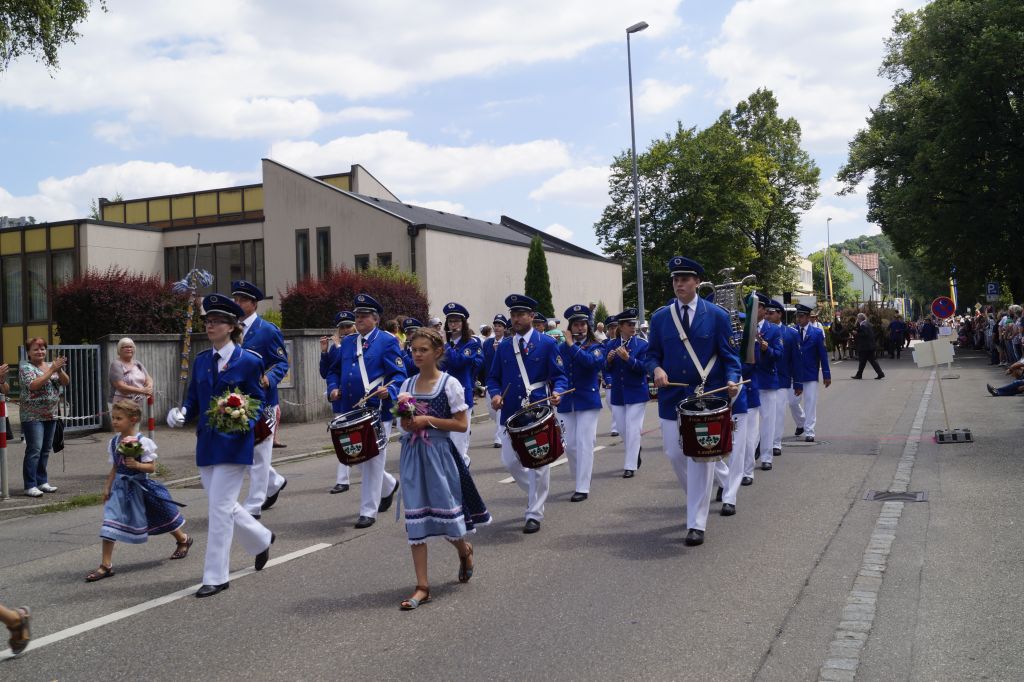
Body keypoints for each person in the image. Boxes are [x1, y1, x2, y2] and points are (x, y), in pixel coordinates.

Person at [167, 294, 275, 598]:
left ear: (231, 326)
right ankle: (262, 539)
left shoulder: (250, 361)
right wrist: (182, 413)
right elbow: (192, 399)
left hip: (234, 444)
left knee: (218, 509)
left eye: (215, 321)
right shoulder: (202, 361)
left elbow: (259, 401)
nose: (209, 325)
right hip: (206, 444)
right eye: (207, 321)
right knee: (224, 504)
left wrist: (241, 415)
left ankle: (216, 576)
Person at [645, 256, 740, 547]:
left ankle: (696, 522)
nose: (679, 284)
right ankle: (699, 497)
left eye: (685, 279)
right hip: (672, 397)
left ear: (697, 282)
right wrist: (656, 369)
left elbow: (730, 357)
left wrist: (733, 379)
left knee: (701, 457)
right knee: (675, 454)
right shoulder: (661, 317)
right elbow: (651, 355)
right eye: (675, 280)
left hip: (707, 398)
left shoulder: (717, 315)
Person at [394, 327, 490, 610]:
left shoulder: (449, 385)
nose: (417, 354)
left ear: (437, 353)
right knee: (415, 520)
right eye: (414, 350)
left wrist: (429, 421)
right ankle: (422, 586)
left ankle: (464, 549)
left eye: (423, 350)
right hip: (413, 454)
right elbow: (402, 423)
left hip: (440, 454)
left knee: (447, 518)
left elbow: (461, 424)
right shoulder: (406, 386)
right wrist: (409, 422)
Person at [486, 294, 568, 534]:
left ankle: (534, 512)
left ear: (532, 316)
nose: (516, 318)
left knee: (540, 462)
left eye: (521, 314)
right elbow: (492, 377)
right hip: (511, 411)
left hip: (539, 409)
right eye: (513, 314)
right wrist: (494, 394)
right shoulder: (504, 346)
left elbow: (560, 376)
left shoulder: (547, 343)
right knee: (510, 462)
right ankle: (535, 493)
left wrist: (559, 392)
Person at [86, 400, 191, 582]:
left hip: (140, 486)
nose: (115, 422)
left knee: (162, 514)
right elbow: (114, 468)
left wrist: (137, 465)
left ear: (132, 420)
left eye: (119, 418)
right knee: (109, 523)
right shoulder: (113, 442)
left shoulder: (144, 442)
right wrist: (107, 487)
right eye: (113, 418)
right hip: (120, 488)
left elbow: (151, 468)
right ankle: (106, 565)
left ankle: (183, 539)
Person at [326, 293, 405, 529]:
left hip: (377, 409)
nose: (358, 320)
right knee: (356, 456)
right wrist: (333, 388)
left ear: (375, 319)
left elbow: (399, 375)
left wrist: (389, 391)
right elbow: (333, 371)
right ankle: (389, 485)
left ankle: (367, 511)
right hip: (351, 409)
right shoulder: (348, 342)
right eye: (356, 316)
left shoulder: (387, 341)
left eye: (362, 316)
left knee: (372, 460)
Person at [231, 280, 289, 518]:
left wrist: (269, 377)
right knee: (245, 452)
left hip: (264, 401)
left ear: (253, 304)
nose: (237, 303)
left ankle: (254, 505)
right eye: (235, 299)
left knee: (261, 451)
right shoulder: (232, 329)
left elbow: (282, 362)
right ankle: (274, 481)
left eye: (242, 300)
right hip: (237, 401)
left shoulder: (267, 330)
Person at [556, 304, 605, 501]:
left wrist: (571, 346)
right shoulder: (561, 348)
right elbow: (556, 371)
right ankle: (579, 479)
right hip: (567, 400)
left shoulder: (596, 346)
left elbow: (592, 363)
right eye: (576, 324)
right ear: (570, 327)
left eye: (583, 324)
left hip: (588, 399)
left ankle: (582, 487)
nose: (580, 328)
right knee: (570, 445)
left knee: (586, 442)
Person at [19, 337, 69, 497]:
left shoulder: (50, 366)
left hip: (51, 414)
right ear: (28, 352)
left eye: (42, 349)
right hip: (32, 415)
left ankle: (42, 481)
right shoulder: (25, 367)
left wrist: (59, 370)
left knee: (45, 450)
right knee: (34, 449)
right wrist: (51, 370)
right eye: (35, 349)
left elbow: (65, 382)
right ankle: (30, 485)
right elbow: (34, 385)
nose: (40, 352)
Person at [604, 308, 648, 478]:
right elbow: (606, 368)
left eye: (634, 324)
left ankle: (630, 466)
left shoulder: (642, 345)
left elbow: (644, 369)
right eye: (629, 325)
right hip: (618, 393)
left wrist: (628, 359)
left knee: (633, 428)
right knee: (623, 430)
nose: (633, 327)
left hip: (636, 392)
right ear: (621, 327)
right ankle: (635, 447)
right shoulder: (611, 344)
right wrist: (608, 361)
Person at [442, 302, 483, 468]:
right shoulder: (443, 344)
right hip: (442, 395)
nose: (453, 324)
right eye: (450, 321)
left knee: (458, 441)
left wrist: (447, 346)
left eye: (457, 321)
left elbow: (458, 362)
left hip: (462, 395)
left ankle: (461, 468)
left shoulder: (471, 343)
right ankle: (462, 465)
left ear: (463, 323)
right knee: (447, 440)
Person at [321, 311, 357, 494]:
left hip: (360, 398)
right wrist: (325, 352)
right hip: (341, 400)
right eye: (342, 327)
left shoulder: (360, 341)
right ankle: (342, 480)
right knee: (344, 439)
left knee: (365, 442)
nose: (345, 330)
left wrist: (337, 346)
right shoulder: (336, 346)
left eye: (348, 326)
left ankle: (384, 481)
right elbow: (327, 372)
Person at [752, 295, 783, 471]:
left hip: (767, 380)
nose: (754, 311)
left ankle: (766, 456)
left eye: (757, 307)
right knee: (750, 424)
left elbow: (779, 354)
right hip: (749, 380)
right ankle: (749, 458)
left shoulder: (773, 330)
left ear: (764, 311)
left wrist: (767, 349)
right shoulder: (744, 328)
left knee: (768, 421)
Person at [792, 305, 832, 442]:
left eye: (801, 316)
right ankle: (801, 422)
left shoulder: (816, 333)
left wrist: (826, 374)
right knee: (792, 402)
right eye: (797, 316)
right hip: (795, 374)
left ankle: (809, 431)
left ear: (808, 317)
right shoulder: (792, 332)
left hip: (810, 372)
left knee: (810, 403)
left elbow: (822, 354)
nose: (799, 319)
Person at [768, 300, 801, 456]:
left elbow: (795, 360)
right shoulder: (761, 331)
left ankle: (776, 443)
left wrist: (798, 382)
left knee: (779, 413)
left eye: (771, 313)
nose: (768, 315)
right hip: (764, 379)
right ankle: (763, 442)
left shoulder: (791, 333)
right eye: (766, 313)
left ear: (779, 314)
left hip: (782, 379)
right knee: (765, 415)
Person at [482, 314, 508, 448]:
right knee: (492, 411)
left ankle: (499, 437)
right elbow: (483, 362)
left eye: (500, 326)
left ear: (504, 328)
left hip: (504, 381)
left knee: (499, 409)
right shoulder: (487, 343)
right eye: (496, 326)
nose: (497, 328)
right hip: (490, 381)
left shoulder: (508, 342)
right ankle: (504, 428)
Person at [108, 337, 154, 404]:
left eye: (131, 347)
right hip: (120, 404)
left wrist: (149, 387)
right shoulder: (116, 364)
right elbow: (120, 387)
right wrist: (142, 390)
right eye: (125, 347)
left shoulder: (138, 363)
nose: (129, 349)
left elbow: (148, 378)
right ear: (119, 350)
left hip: (136, 402)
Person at [851, 313, 885, 380]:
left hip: (865, 347)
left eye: (857, 318)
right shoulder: (867, 324)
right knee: (871, 361)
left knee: (862, 362)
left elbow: (865, 334)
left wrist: (856, 333)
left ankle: (859, 375)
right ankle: (880, 373)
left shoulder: (863, 325)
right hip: (870, 346)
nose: (857, 320)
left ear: (860, 319)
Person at [602, 316, 621, 437]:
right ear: (607, 330)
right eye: (611, 328)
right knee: (610, 402)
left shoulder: (623, 340)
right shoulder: (604, 344)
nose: (613, 330)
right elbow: (603, 363)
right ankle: (618, 423)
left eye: (615, 327)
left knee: (617, 403)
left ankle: (616, 426)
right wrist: (607, 379)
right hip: (609, 377)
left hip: (621, 378)